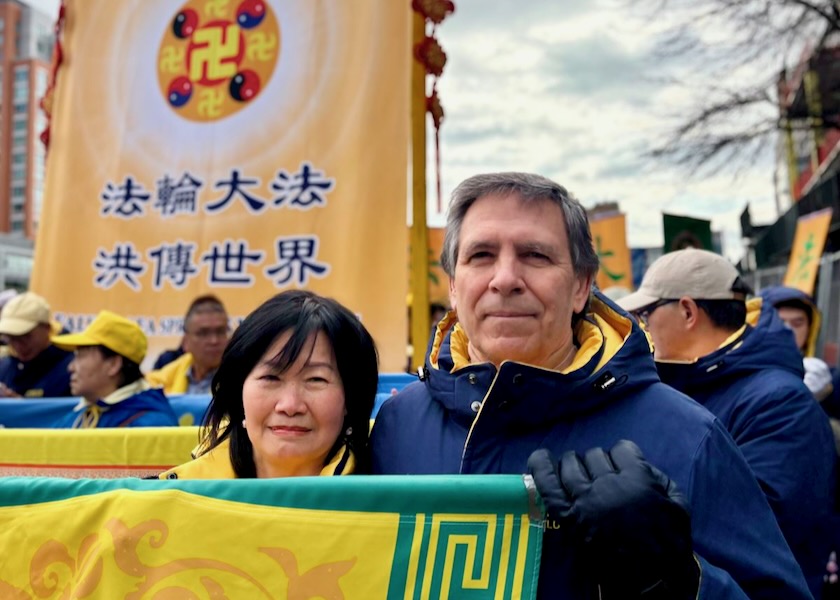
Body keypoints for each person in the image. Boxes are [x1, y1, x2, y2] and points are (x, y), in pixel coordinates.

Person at [370, 172, 812, 599]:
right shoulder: (396, 424)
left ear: (581, 286)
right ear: (452, 284)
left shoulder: (688, 435)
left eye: (536, 256)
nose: (504, 279)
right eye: (480, 255)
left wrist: (676, 580)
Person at [618, 249, 837, 597]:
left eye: (645, 312)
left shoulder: (779, 402)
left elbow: (758, 529)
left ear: (688, 311)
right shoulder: (687, 382)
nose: (640, 324)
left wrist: (636, 512)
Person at [160, 290, 378, 479]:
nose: (290, 405)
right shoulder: (180, 499)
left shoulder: (388, 511)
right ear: (239, 391)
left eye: (316, 379)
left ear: (351, 397)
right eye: (270, 378)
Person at [51, 310, 178, 428]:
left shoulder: (151, 426)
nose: (70, 367)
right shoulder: (78, 418)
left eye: (81, 356)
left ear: (113, 365)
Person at [147, 295, 229, 394]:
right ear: (186, 341)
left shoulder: (241, 381)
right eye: (203, 333)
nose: (214, 341)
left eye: (220, 332)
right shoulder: (162, 381)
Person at [0, 291, 73, 398]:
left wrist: (19, 408)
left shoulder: (72, 369)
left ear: (47, 328)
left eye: (25, 336)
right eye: (11, 338)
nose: (18, 346)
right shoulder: (5, 367)